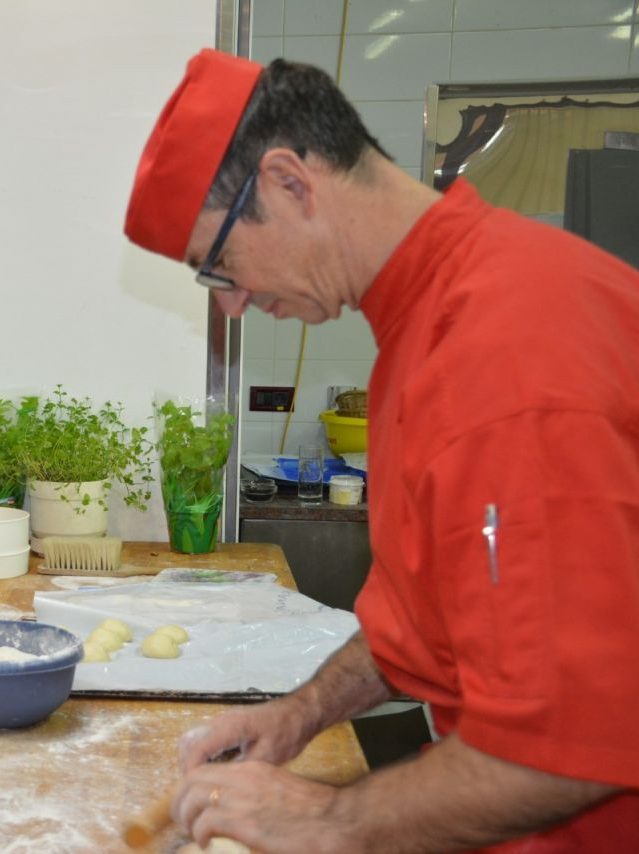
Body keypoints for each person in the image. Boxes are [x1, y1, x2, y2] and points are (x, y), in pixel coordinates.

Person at [124, 50, 639, 852]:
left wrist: (326, 819)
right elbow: (421, 624)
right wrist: (300, 715)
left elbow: (568, 744)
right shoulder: (424, 325)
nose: (233, 304)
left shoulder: (507, 352)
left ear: (289, 182)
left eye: (218, 265)